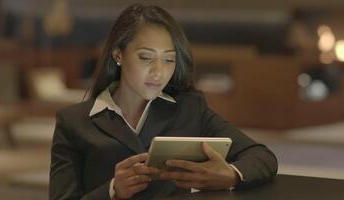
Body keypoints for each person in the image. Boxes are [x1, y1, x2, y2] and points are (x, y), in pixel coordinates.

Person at [49, 3, 278, 200]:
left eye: (169, 60)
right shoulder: (74, 122)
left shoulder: (189, 109)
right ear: (118, 54)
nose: (158, 71)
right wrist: (112, 191)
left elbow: (262, 157)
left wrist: (230, 174)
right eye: (146, 57)